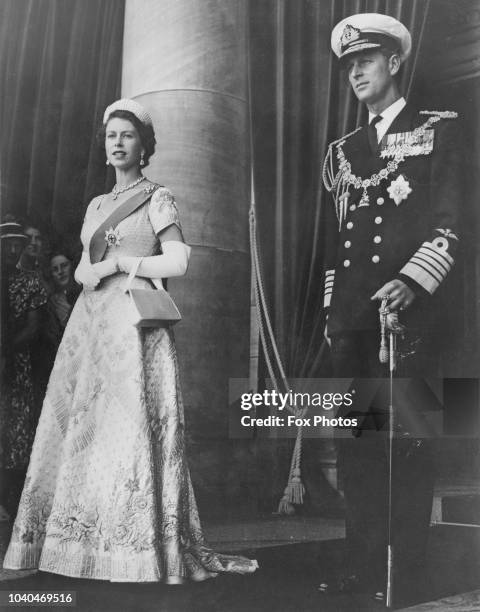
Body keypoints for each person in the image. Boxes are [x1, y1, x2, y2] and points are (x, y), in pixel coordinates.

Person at [4, 99, 258, 582]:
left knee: (131, 428)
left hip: (135, 323)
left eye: (127, 135)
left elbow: (179, 262)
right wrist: (85, 270)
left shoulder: (158, 197)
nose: (117, 143)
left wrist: (125, 264)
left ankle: (135, 551)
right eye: (111, 136)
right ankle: (82, 545)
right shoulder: (96, 206)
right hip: (92, 322)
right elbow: (82, 266)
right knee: (85, 428)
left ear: (144, 146)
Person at [320, 13, 462, 602]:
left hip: (412, 318)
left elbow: (456, 224)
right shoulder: (344, 150)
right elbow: (337, 240)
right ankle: (360, 566)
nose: (355, 71)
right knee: (357, 449)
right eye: (349, 64)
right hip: (354, 322)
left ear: (395, 62)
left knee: (409, 445)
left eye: (366, 60)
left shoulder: (440, 131)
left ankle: (408, 570)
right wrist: (333, 314)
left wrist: (414, 280)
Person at [0, 220, 48, 518]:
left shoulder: (29, 282)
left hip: (16, 371)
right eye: (8, 244)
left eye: (19, 244)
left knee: (16, 438)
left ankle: (12, 509)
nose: (14, 249)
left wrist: (5, 352)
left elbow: (33, 328)